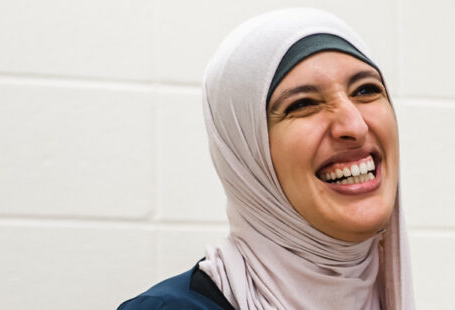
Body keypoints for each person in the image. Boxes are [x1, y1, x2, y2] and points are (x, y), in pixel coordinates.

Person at [118, 8, 414, 310]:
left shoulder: (387, 298)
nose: (354, 125)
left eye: (366, 90)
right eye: (303, 104)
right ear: (247, 156)